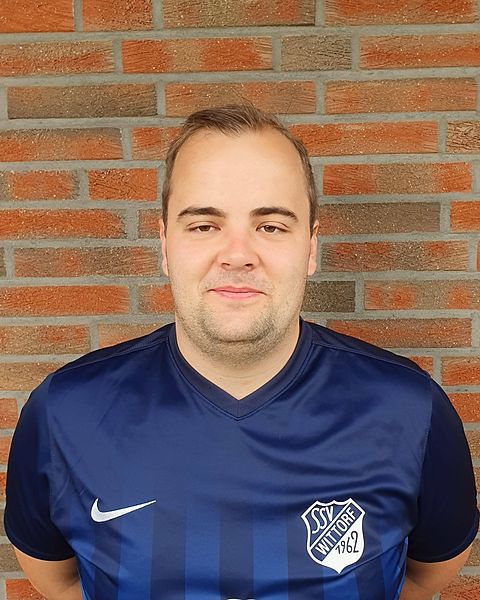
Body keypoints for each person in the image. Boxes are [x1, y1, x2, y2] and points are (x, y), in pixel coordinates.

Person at [4, 102, 478, 600]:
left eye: (270, 226)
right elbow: (59, 581)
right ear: (164, 244)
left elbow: (425, 576)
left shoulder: (410, 410)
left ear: (310, 247)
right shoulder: (65, 413)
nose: (237, 255)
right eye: (203, 225)